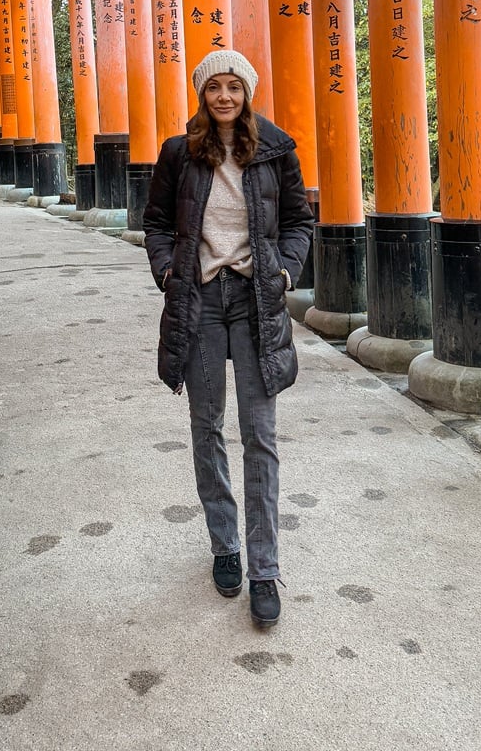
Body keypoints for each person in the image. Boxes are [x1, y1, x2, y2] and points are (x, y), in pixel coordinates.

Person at [143, 50, 314, 628]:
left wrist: (286, 270)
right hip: (200, 300)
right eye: (213, 87)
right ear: (201, 94)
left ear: (247, 93)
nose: (223, 97)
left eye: (233, 87)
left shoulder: (274, 150)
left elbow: (298, 221)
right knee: (206, 426)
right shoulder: (179, 153)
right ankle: (225, 545)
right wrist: (168, 269)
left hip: (255, 299)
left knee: (260, 435)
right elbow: (158, 223)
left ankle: (265, 568)